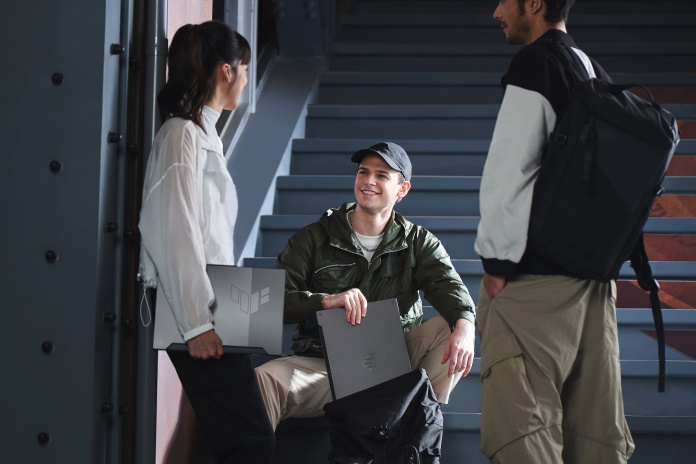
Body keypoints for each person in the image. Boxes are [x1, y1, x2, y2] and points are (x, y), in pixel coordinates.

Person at [474, 1, 635, 463]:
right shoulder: (592, 69)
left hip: (535, 281)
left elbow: (511, 167)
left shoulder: (538, 63)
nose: (496, 12)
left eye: (505, 1)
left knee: (523, 429)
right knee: (594, 433)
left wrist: (497, 264)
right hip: (591, 280)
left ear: (535, 4)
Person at [255, 142, 477, 430]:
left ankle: (412, 421)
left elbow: (449, 286)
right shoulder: (312, 238)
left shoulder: (418, 241)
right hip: (326, 364)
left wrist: (466, 325)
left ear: (402, 189)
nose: (368, 181)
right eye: (363, 172)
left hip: (393, 365)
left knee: (454, 326)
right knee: (264, 378)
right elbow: (275, 303)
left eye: (382, 175)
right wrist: (325, 301)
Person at [138, 21, 274, 464]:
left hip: (218, 307)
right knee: (250, 442)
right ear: (225, 71)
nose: (247, 80)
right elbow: (173, 228)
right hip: (199, 315)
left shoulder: (201, 134)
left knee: (244, 439)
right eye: (245, 69)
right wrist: (198, 324)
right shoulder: (181, 135)